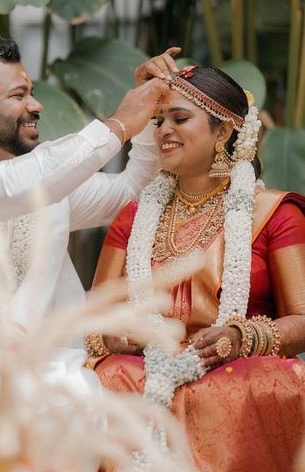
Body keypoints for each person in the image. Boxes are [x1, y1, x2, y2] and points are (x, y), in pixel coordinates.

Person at [0, 35, 178, 454]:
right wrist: (116, 126)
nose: (36, 106)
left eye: (33, 93)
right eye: (18, 96)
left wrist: (147, 122)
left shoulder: (36, 182)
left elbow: (130, 191)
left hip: (31, 383)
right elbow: (6, 189)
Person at [87, 62, 305, 472]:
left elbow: (303, 320)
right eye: (159, 120)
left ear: (223, 131)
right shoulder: (134, 217)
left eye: (180, 118)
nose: (163, 130)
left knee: (248, 385)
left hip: (238, 364)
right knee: (111, 376)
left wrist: (243, 338)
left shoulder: (273, 213)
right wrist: (111, 337)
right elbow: (91, 317)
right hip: (141, 364)